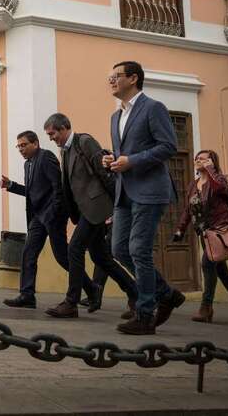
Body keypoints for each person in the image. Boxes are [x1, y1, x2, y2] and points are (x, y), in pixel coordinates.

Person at [103, 60, 185, 335]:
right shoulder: (115, 116)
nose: (111, 81)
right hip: (124, 191)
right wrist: (112, 161)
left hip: (150, 191)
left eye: (116, 76)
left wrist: (131, 161)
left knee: (138, 249)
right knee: (119, 250)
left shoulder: (153, 108)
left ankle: (145, 314)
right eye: (109, 77)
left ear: (133, 78)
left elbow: (169, 146)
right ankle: (167, 294)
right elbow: (124, 153)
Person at [42, 113, 138, 318]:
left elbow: (104, 173)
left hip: (98, 208)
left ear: (64, 127)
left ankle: (71, 302)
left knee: (74, 249)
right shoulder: (65, 151)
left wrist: (116, 206)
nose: (51, 138)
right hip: (86, 210)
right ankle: (134, 292)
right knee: (101, 258)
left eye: (53, 133)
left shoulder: (84, 142)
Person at [0, 131, 97, 309]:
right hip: (38, 217)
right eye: (18, 146)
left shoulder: (46, 157)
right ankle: (27, 295)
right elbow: (32, 192)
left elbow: (58, 186)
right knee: (28, 253)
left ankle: (91, 289)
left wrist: (54, 213)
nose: (21, 149)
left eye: (24, 145)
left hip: (52, 216)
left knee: (62, 257)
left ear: (35, 143)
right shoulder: (28, 165)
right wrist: (11, 186)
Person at [173, 149, 228, 324]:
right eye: (197, 158)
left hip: (220, 232)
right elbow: (188, 210)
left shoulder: (218, 180)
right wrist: (180, 229)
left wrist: (211, 170)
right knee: (222, 272)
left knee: (207, 264)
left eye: (202, 158)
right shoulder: (193, 185)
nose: (198, 160)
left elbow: (221, 189)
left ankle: (206, 307)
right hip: (205, 234)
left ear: (212, 161)